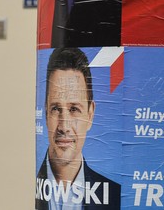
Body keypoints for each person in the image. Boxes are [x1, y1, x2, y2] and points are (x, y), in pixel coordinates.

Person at [36, 48, 121, 209]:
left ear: (90, 114)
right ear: (46, 112)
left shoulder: (116, 197)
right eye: (56, 108)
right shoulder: (26, 184)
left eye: (74, 109)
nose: (64, 126)